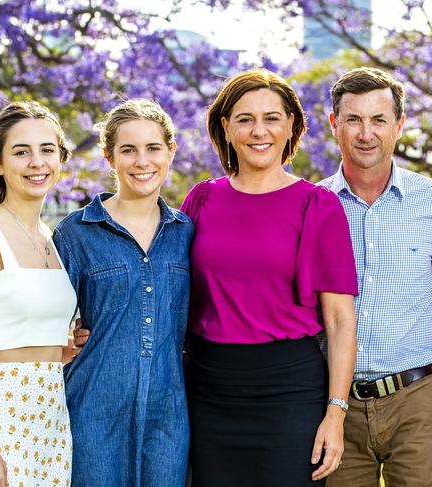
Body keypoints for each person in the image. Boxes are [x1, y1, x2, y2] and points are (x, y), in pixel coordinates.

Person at [180, 69, 358, 487]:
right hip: (207, 389)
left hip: (289, 392)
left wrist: (335, 413)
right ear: (226, 128)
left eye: (272, 118)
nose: (259, 131)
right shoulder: (201, 199)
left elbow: (339, 320)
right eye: (244, 119)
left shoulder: (319, 205)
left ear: (292, 125)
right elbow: (172, 289)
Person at [319, 67, 432, 487]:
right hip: (333, 404)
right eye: (353, 119)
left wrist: (428, 335)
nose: (366, 133)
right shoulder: (314, 204)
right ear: (334, 124)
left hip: (417, 401)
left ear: (398, 125)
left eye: (379, 120)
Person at [52, 99, 192, 486]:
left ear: (170, 151)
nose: (141, 161)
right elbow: (46, 318)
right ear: (109, 157)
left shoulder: (186, 234)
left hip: (168, 417)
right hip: (94, 413)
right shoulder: (76, 233)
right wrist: (63, 338)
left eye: (153, 148)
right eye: (128, 150)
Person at [0, 101, 77, 487]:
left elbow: (29, 332)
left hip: (52, 419)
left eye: (47, 150)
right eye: (21, 152)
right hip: (0, 417)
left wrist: (65, 347)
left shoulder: (54, 240)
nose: (36, 162)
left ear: (60, 158)